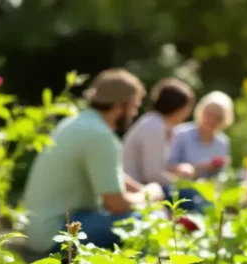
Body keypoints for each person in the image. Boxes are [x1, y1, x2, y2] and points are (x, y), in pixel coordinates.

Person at [22, 68, 165, 254]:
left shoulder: (78, 122)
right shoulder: (101, 136)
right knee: (146, 222)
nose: (134, 113)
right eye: (135, 106)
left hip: (38, 230)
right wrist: (150, 195)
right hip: (54, 233)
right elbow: (116, 204)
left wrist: (141, 190)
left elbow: (111, 174)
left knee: (147, 216)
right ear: (121, 105)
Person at [122, 77, 196, 187]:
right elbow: (152, 174)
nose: (188, 113)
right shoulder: (154, 126)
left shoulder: (159, 124)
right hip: (136, 189)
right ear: (177, 108)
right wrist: (184, 184)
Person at [167, 90, 234, 180]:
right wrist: (202, 166)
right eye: (209, 114)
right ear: (201, 112)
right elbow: (168, 166)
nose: (212, 120)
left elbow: (221, 175)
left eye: (218, 117)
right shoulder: (181, 133)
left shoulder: (223, 142)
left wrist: (222, 165)